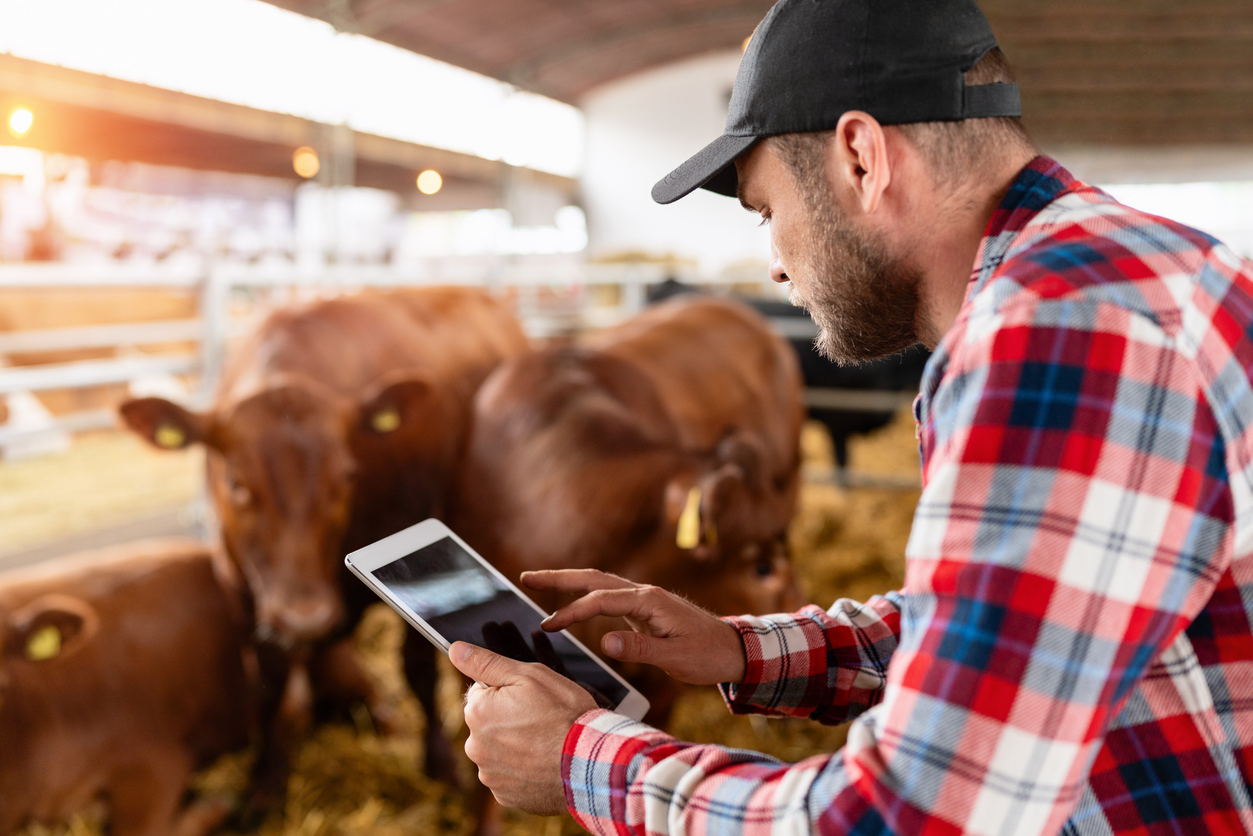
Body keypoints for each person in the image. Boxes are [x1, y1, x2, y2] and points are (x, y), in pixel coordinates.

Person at [448, 0, 1253, 832]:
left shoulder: (1049, 338)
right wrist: (741, 651)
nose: (774, 265)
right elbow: (1013, 631)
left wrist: (583, 762)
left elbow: (912, 814)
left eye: (767, 211)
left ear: (861, 158)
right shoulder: (1137, 268)